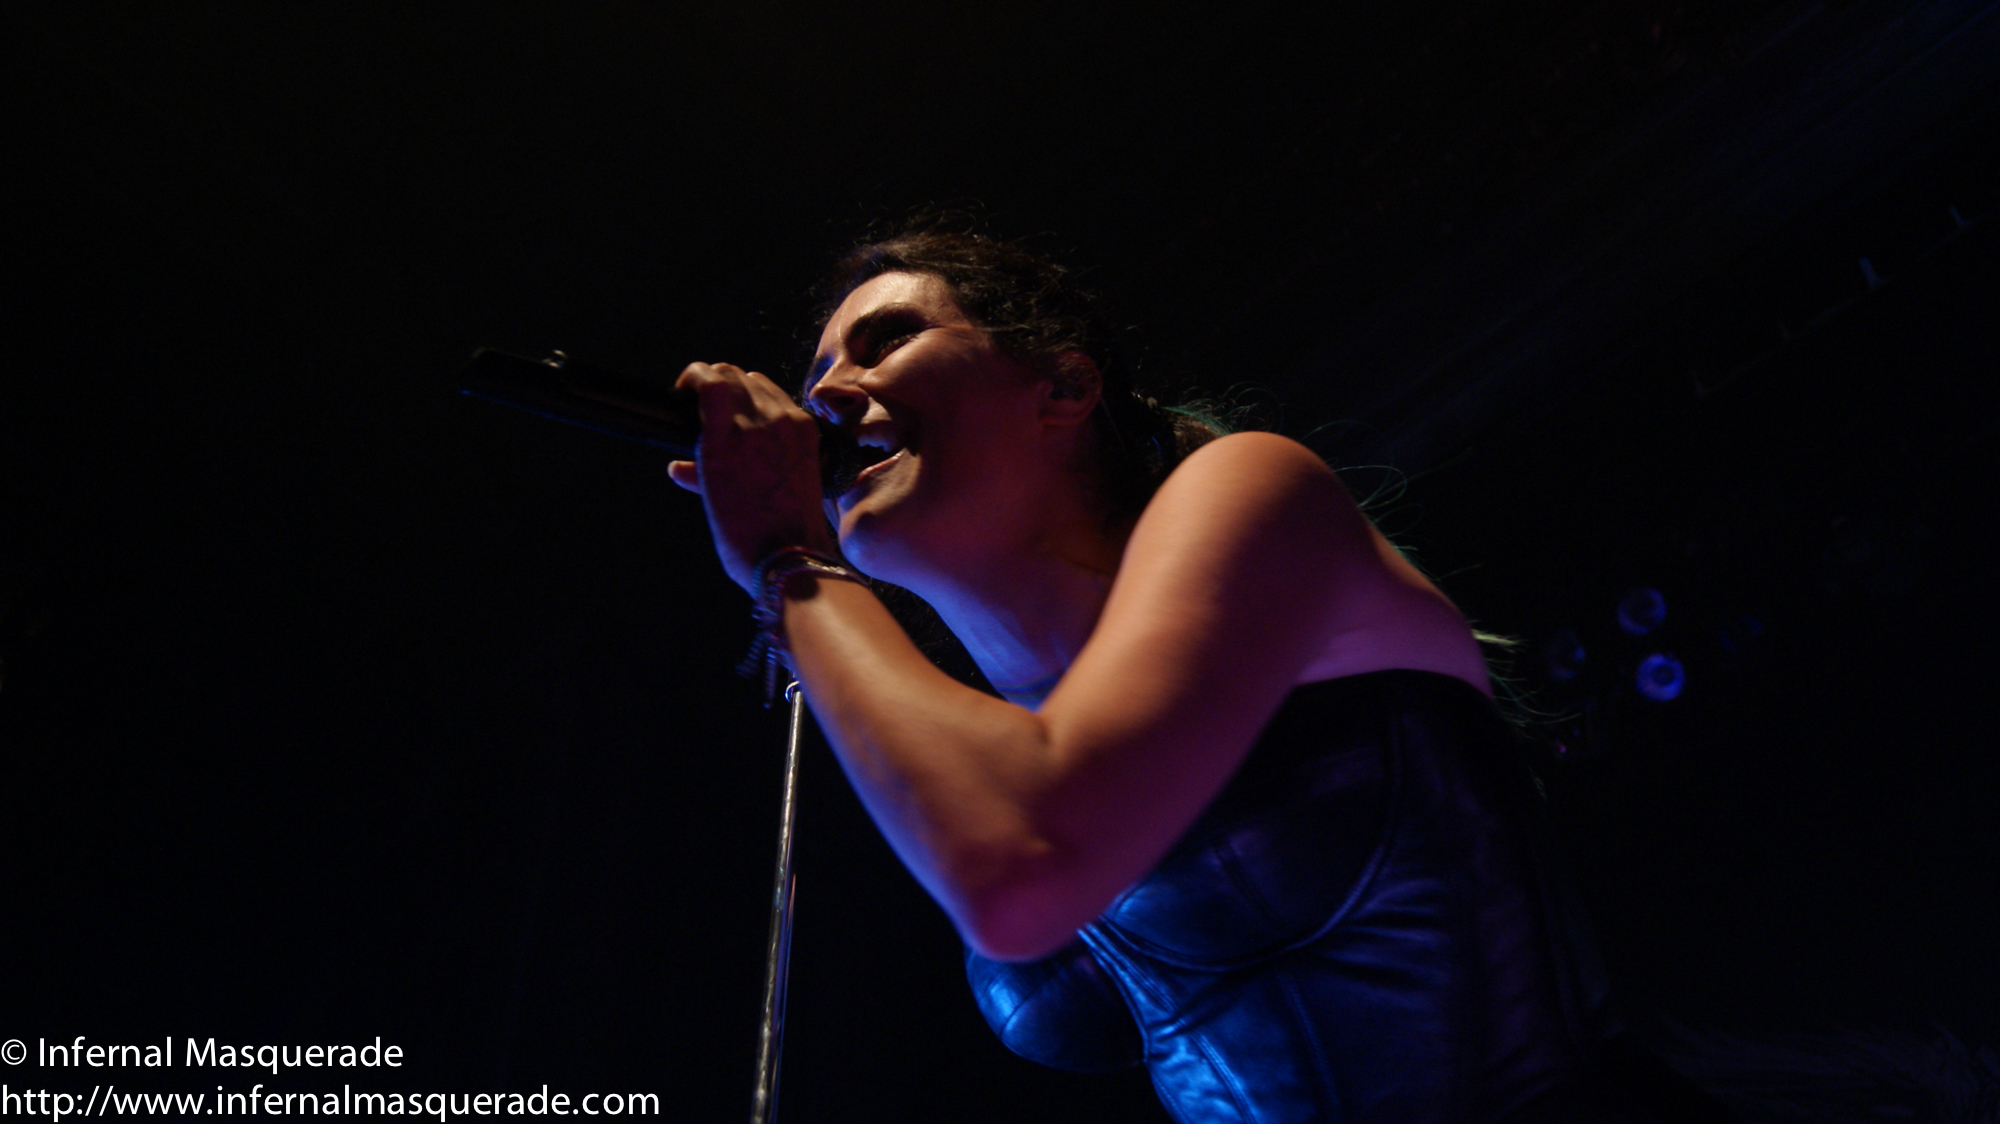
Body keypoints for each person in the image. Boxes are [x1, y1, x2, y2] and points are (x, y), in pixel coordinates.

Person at [668, 228, 1732, 1123]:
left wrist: (788, 562)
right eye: (815, 379)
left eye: (887, 339)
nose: (826, 396)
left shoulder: (1254, 485)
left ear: (1064, 386)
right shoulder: (989, 734)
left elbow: (1020, 862)